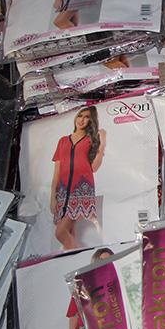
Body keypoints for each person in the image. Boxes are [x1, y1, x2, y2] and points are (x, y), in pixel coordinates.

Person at [50, 106, 106, 250]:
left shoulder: (90, 140)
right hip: (62, 191)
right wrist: (53, 197)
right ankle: (74, 257)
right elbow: (56, 172)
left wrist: (102, 142)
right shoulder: (63, 141)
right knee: (69, 232)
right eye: (80, 115)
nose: (82, 120)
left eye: (87, 117)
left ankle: (76, 255)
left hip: (80, 189)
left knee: (60, 233)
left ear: (91, 121)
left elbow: (94, 167)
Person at [67, 247, 113, 329]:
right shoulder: (81, 290)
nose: (104, 264)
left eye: (109, 260)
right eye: (101, 260)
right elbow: (73, 328)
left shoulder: (116, 290)